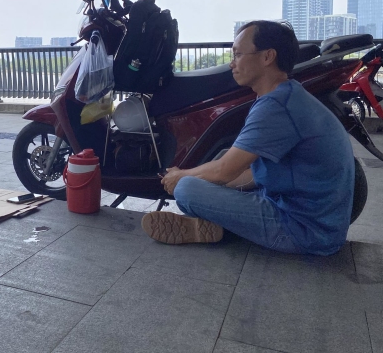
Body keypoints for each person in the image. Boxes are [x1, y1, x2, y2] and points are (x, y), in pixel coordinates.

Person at [141, 20, 355, 256]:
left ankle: (221, 225)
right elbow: (252, 172)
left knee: (187, 189)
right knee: (213, 170)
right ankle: (218, 225)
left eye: (239, 54)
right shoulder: (288, 95)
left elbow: (224, 171)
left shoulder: (275, 105)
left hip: (303, 230)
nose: (232, 63)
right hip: (318, 223)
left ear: (267, 57)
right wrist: (210, 183)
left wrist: (182, 176)